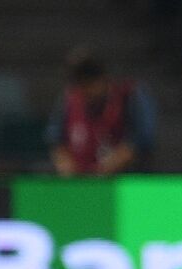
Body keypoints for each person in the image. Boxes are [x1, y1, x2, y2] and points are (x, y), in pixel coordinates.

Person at [46, 46, 155, 177]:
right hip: (81, 182)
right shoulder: (69, 98)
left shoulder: (130, 95)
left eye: (89, 86)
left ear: (102, 79)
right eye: (81, 87)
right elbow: (55, 140)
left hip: (126, 180)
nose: (85, 93)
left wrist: (107, 166)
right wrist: (66, 166)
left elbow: (141, 140)